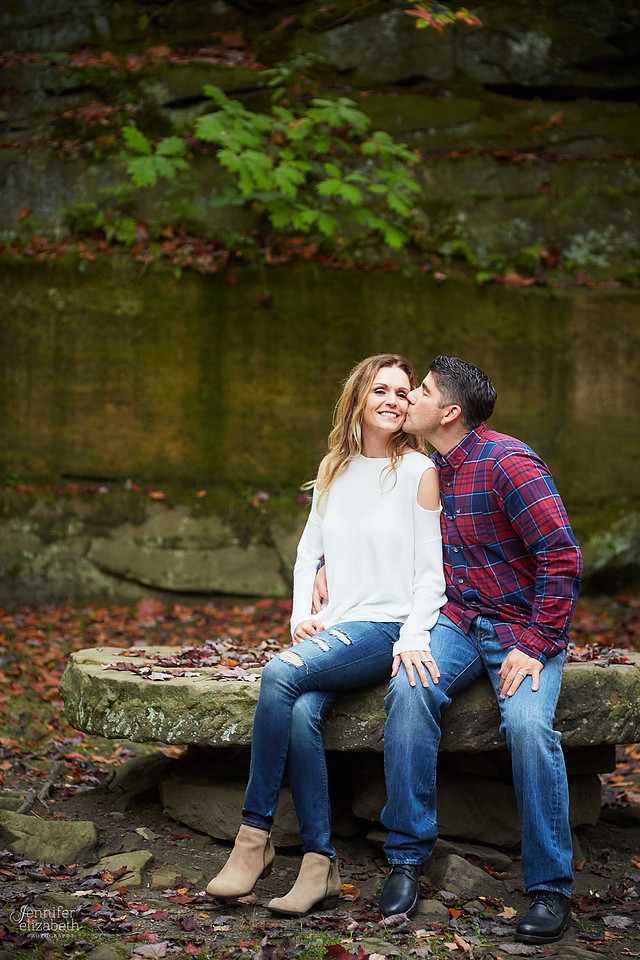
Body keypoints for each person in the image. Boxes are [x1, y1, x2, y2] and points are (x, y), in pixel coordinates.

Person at [314, 355, 582, 944]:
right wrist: (328, 566)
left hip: (521, 631)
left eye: (423, 391)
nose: (408, 398)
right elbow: (380, 527)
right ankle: (407, 859)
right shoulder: (430, 465)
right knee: (409, 689)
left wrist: (536, 645)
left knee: (530, 728)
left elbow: (561, 558)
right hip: (456, 621)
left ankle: (549, 888)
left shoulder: (510, 464)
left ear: (449, 412)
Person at [205, 354, 447, 917]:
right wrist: (299, 617)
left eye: (403, 392)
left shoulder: (418, 472)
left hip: (386, 628)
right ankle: (321, 863)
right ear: (358, 399)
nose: (393, 399)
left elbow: (431, 573)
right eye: (381, 389)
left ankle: (254, 837)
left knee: (280, 672)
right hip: (337, 628)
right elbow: (307, 553)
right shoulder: (334, 467)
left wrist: (413, 636)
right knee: (297, 710)